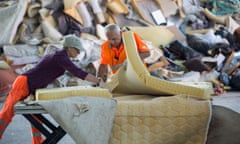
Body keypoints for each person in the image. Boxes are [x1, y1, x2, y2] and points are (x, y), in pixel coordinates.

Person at [0, 35, 104, 144]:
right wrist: (98, 81)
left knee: (36, 119)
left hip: (31, 86)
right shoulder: (61, 57)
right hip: (24, 83)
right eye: (77, 50)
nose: (78, 53)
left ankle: (38, 142)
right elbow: (78, 72)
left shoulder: (60, 56)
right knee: (7, 113)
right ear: (69, 47)